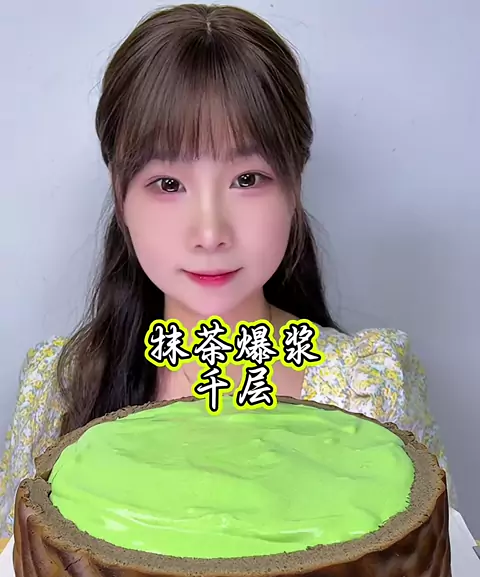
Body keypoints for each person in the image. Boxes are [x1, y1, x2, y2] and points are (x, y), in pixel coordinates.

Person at [0, 3, 454, 539]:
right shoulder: (61, 388)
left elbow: (426, 571)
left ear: (295, 185)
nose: (210, 232)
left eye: (248, 179)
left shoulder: (370, 388)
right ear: (121, 197)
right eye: (168, 184)